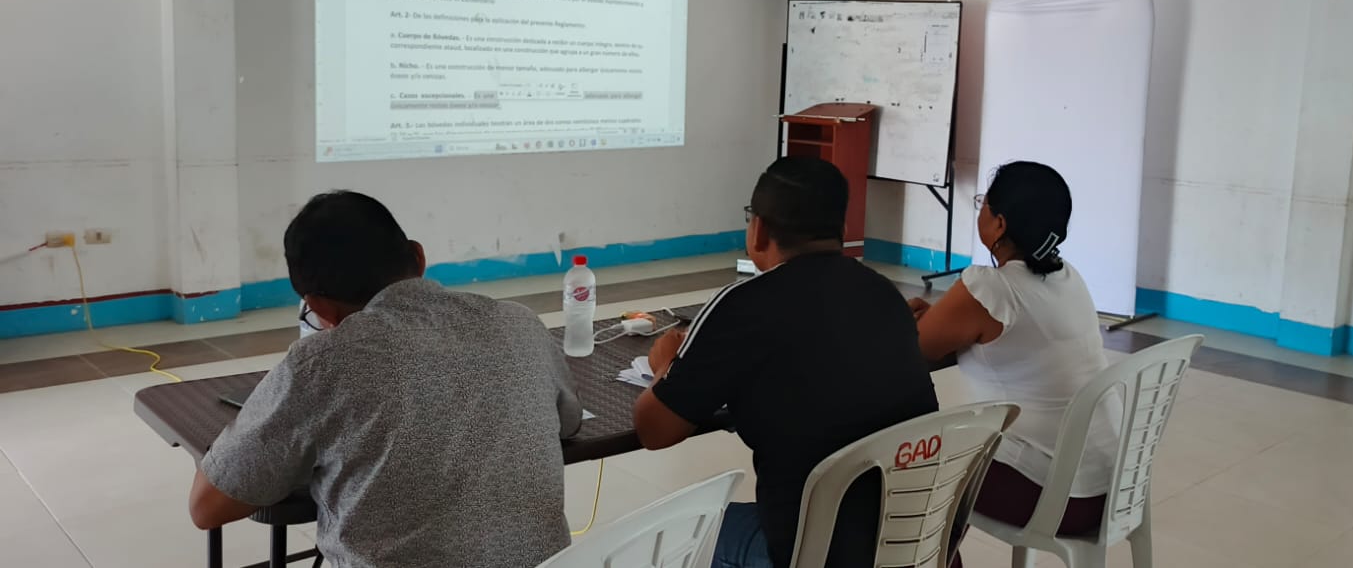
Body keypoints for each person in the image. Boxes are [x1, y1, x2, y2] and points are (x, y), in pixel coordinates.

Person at [189, 191, 583, 568]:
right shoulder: (519, 324)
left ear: (317, 306)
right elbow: (568, 422)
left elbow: (207, 507)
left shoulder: (322, 363)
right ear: (418, 256)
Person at [633, 157, 938, 568]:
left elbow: (654, 430)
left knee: (676, 536)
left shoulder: (741, 305)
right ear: (842, 228)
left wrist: (665, 365)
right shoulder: (884, 294)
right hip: (911, 540)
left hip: (809, 553)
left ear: (758, 230)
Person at [909, 162, 1119, 552]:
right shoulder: (1067, 276)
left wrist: (906, 320)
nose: (980, 212)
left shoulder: (992, 288)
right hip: (1110, 486)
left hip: (1056, 496)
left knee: (909, 472)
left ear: (1000, 224)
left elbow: (912, 350)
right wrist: (944, 321)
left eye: (982, 204)